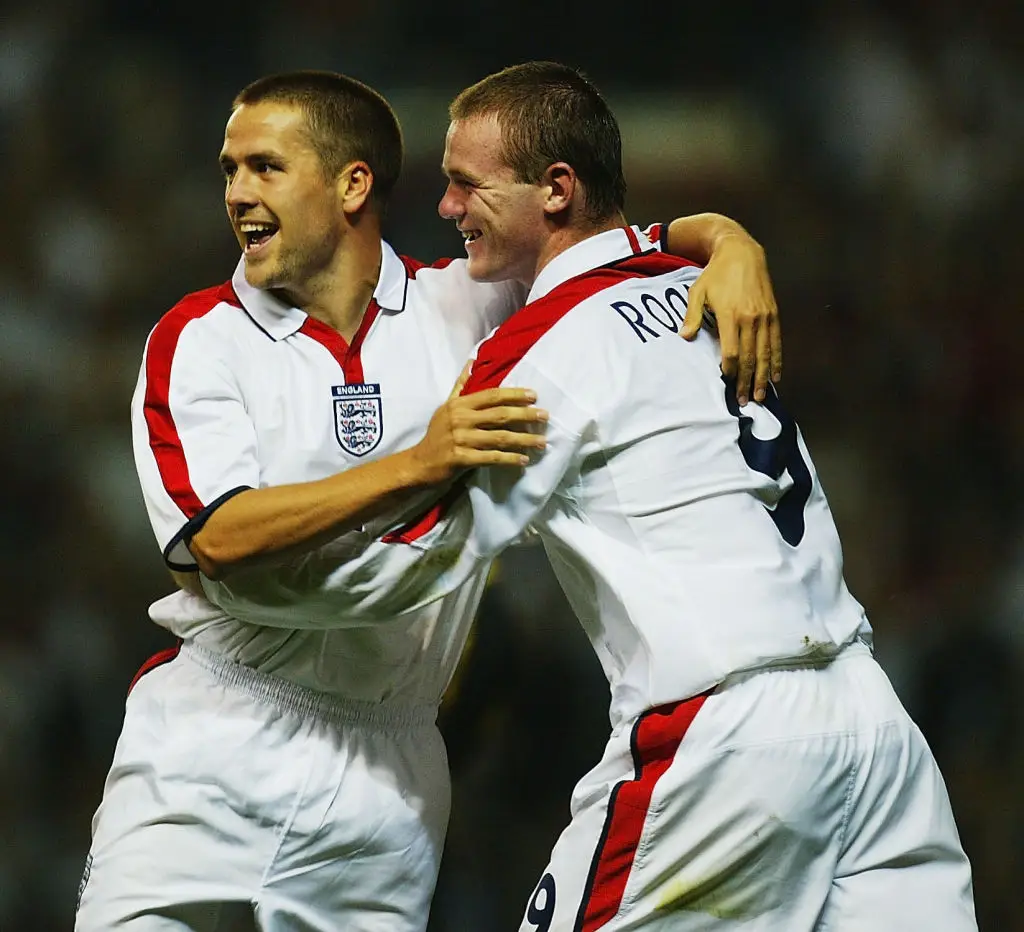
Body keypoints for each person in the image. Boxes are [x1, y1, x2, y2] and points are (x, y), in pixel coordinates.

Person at [228, 62, 980, 931]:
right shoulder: (691, 277)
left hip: (721, 740)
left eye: (467, 185)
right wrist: (729, 236)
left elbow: (412, 566)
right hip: (872, 727)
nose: (444, 207)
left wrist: (247, 582)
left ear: (556, 190)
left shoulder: (544, 346)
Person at [76, 69, 782, 932]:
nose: (236, 193)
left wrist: (727, 241)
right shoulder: (199, 338)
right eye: (229, 170)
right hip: (213, 738)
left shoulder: (471, 303)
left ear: (352, 183)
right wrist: (415, 462)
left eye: (264, 167)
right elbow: (216, 538)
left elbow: (606, 246)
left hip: (392, 767)